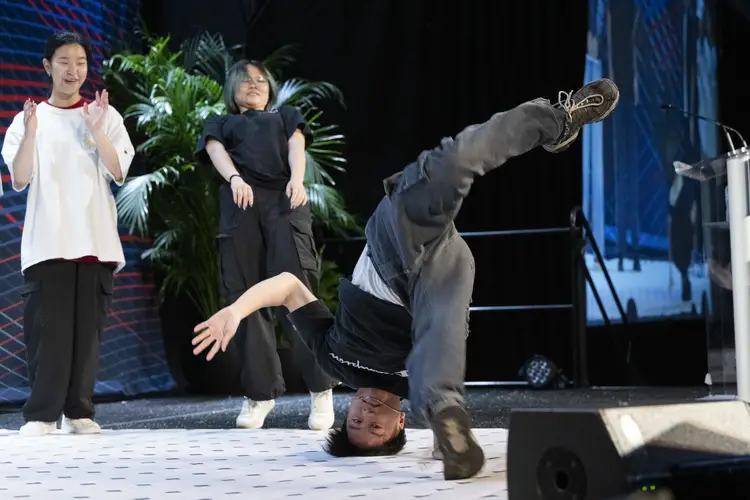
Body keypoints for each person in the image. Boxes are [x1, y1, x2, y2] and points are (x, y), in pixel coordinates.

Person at [192, 78, 620, 480]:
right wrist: (439, 439)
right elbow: (440, 342)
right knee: (439, 338)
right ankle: (447, 422)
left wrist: (236, 309)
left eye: (355, 420)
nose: (366, 414)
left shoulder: (334, 360)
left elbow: (288, 287)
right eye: (375, 429)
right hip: (437, 281)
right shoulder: (410, 392)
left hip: (391, 248)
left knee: (453, 161)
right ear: (399, 425)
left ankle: (557, 120)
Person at [0, 30, 134, 436]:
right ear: (47, 66)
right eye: (63, 61)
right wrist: (32, 132)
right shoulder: (28, 120)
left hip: (95, 239)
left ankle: (80, 411)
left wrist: (96, 129)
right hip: (49, 241)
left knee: (87, 335)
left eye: (80, 62)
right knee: (48, 332)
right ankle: (41, 414)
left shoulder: (105, 115)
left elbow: (118, 170)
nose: (73, 70)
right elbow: (20, 179)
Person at [195, 60, 337, 431]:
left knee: (298, 289)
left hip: (284, 202)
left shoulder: (285, 115)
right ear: (233, 90)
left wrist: (297, 179)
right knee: (242, 294)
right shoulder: (221, 122)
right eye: (246, 81)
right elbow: (214, 149)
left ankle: (321, 390)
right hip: (241, 206)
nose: (254, 85)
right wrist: (235, 178)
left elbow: (297, 145)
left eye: (261, 80)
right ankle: (260, 394)